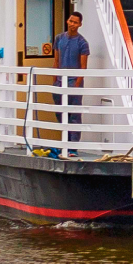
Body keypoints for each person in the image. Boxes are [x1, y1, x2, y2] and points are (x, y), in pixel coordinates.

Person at [53, 11, 89, 157]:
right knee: (60, 111)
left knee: (74, 114)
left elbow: (83, 67)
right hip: (60, 82)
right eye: (70, 21)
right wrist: (54, 80)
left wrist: (77, 85)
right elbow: (56, 61)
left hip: (74, 82)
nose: (72, 24)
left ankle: (73, 147)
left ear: (80, 24)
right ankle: (65, 143)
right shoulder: (59, 38)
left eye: (75, 22)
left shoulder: (82, 42)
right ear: (67, 21)